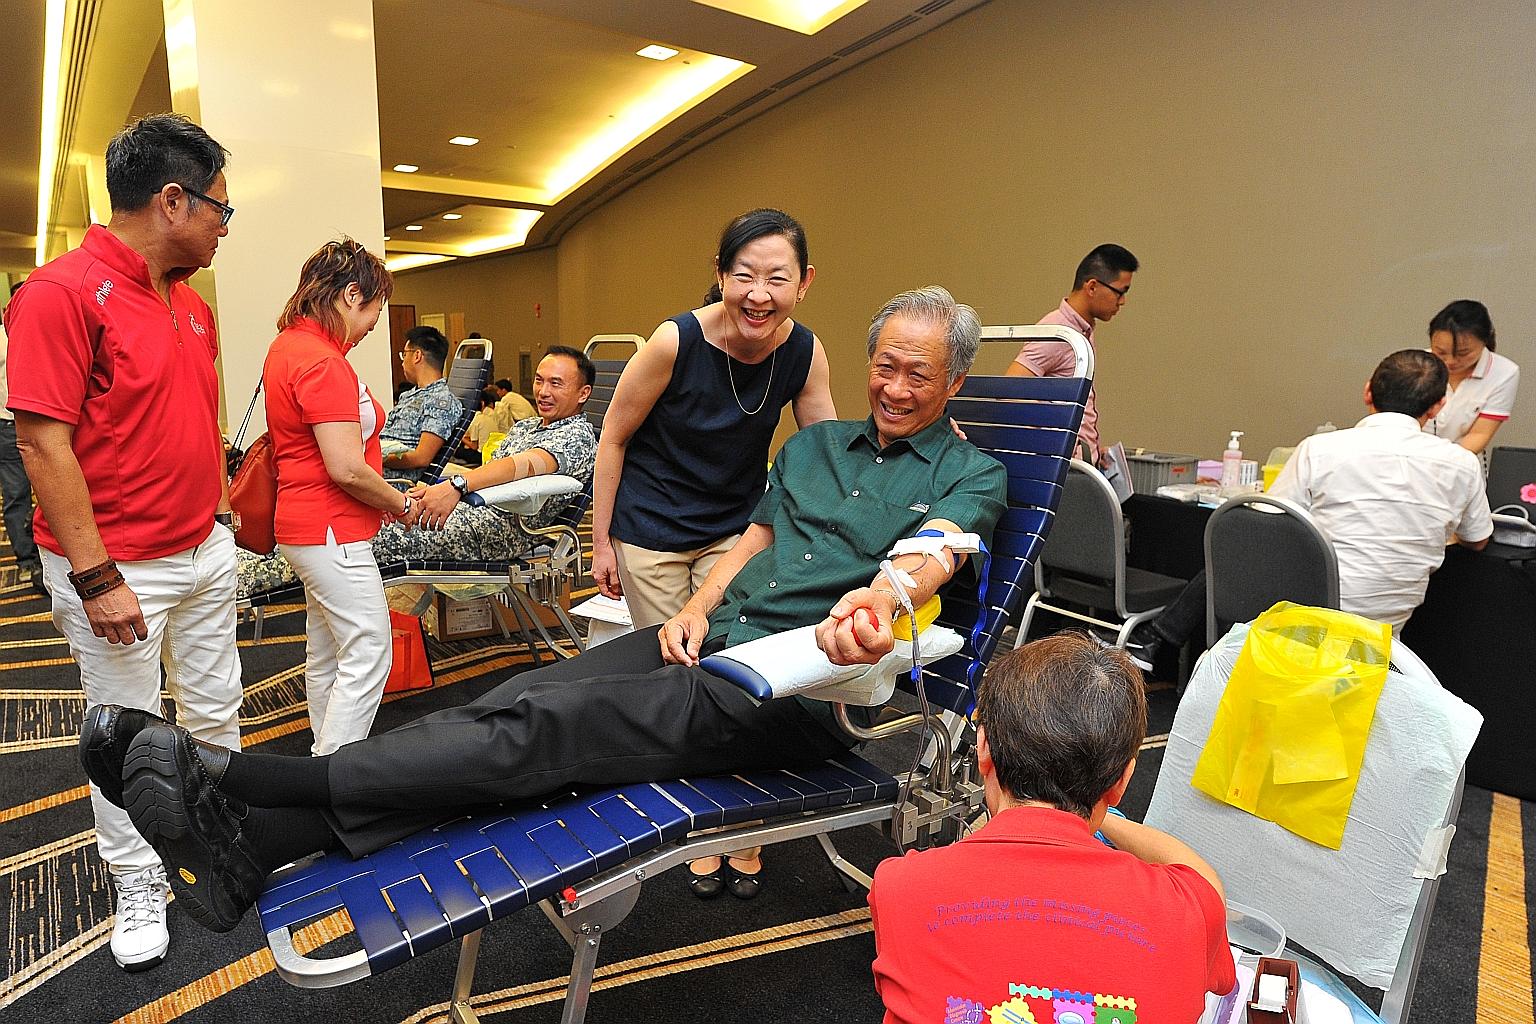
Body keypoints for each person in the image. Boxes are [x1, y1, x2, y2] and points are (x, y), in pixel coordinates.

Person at [85, 286, 1006, 937]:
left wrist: (880, 602)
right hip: (711, 642)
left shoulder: (971, 474)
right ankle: (258, 849)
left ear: (955, 383)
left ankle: (247, 783)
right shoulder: (817, 448)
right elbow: (755, 541)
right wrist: (697, 607)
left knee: (540, 731)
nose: (895, 388)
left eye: (918, 376)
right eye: (885, 366)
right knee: (515, 700)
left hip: (795, 688)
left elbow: (929, 559)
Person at [7, 113, 243, 972]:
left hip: (202, 550)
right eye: (220, 208)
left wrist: (220, 512)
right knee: (127, 737)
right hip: (119, 567)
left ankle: (223, 839)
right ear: (173, 201)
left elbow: (196, 419)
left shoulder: (191, 304)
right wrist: (97, 576)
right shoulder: (60, 293)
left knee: (216, 709)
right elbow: (42, 444)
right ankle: (136, 881)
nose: (224, 226)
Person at [589, 207, 836, 898]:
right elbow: (613, 438)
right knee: (677, 676)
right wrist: (601, 541)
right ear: (721, 275)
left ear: (804, 283)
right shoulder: (674, 342)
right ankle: (698, 822)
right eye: (744, 275)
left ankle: (740, 823)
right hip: (651, 532)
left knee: (739, 671)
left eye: (777, 279)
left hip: (735, 529)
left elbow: (825, 452)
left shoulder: (804, 352)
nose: (759, 294)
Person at [868, 632, 1234, 1024]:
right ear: (1123, 780)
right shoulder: (1190, 910)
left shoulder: (900, 886)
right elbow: (1201, 876)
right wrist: (1097, 815)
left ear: (984, 748)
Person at [1126, 350, 1494, 668]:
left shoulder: (1322, 449)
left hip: (1307, 619)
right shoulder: (1461, 464)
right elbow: (1478, 539)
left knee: (1239, 550)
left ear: (1368, 391)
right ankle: (1160, 638)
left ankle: (1163, 640)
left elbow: (1266, 520)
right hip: (1384, 636)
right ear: (1437, 406)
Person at [237, 347, 598, 597]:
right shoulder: (529, 425)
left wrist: (455, 486)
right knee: (361, 514)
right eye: (539, 380)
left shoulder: (577, 436)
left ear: (583, 393)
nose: (542, 391)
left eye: (556, 384)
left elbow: (524, 466)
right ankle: (253, 557)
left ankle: (247, 577)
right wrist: (434, 492)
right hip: (468, 509)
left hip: (502, 531)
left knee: (362, 536)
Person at [261, 238, 423, 757]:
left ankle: (324, 759)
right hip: (333, 528)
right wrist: (400, 504)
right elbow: (347, 468)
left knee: (328, 650)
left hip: (305, 526)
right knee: (370, 648)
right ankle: (334, 772)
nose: (374, 324)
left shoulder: (288, 346)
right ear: (353, 295)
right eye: (375, 309)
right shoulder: (322, 361)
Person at [1005, 243, 1139, 466]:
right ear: (1092, 287)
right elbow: (1011, 390)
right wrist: (1057, 442)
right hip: (1063, 468)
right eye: (1120, 292)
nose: (1122, 301)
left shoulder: (1082, 329)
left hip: (1082, 465)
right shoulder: (1058, 331)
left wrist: (1093, 451)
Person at [1423, 299, 1519, 455]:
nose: (1450, 361)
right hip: (1410, 461)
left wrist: (1443, 463)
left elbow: (1479, 434)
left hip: (1461, 461)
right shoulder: (1416, 364)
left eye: (1463, 353)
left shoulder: (1504, 372)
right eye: (1441, 352)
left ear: (1484, 341)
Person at [0, 285, 43, 589]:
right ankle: (27, 561)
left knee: (58, 490)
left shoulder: (43, 332)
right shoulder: (2, 337)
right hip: (8, 426)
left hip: (48, 426)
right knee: (17, 494)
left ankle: (50, 554)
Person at [380, 325, 463, 477]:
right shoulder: (409, 395)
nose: (402, 362)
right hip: (376, 471)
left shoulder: (441, 401)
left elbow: (421, 458)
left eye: (404, 354)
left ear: (417, 356)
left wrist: (375, 458)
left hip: (394, 481)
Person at [463, 386, 502, 456]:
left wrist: (461, 438)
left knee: (459, 451)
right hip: (494, 450)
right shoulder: (487, 416)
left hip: (482, 454)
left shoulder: (475, 419)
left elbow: (474, 446)